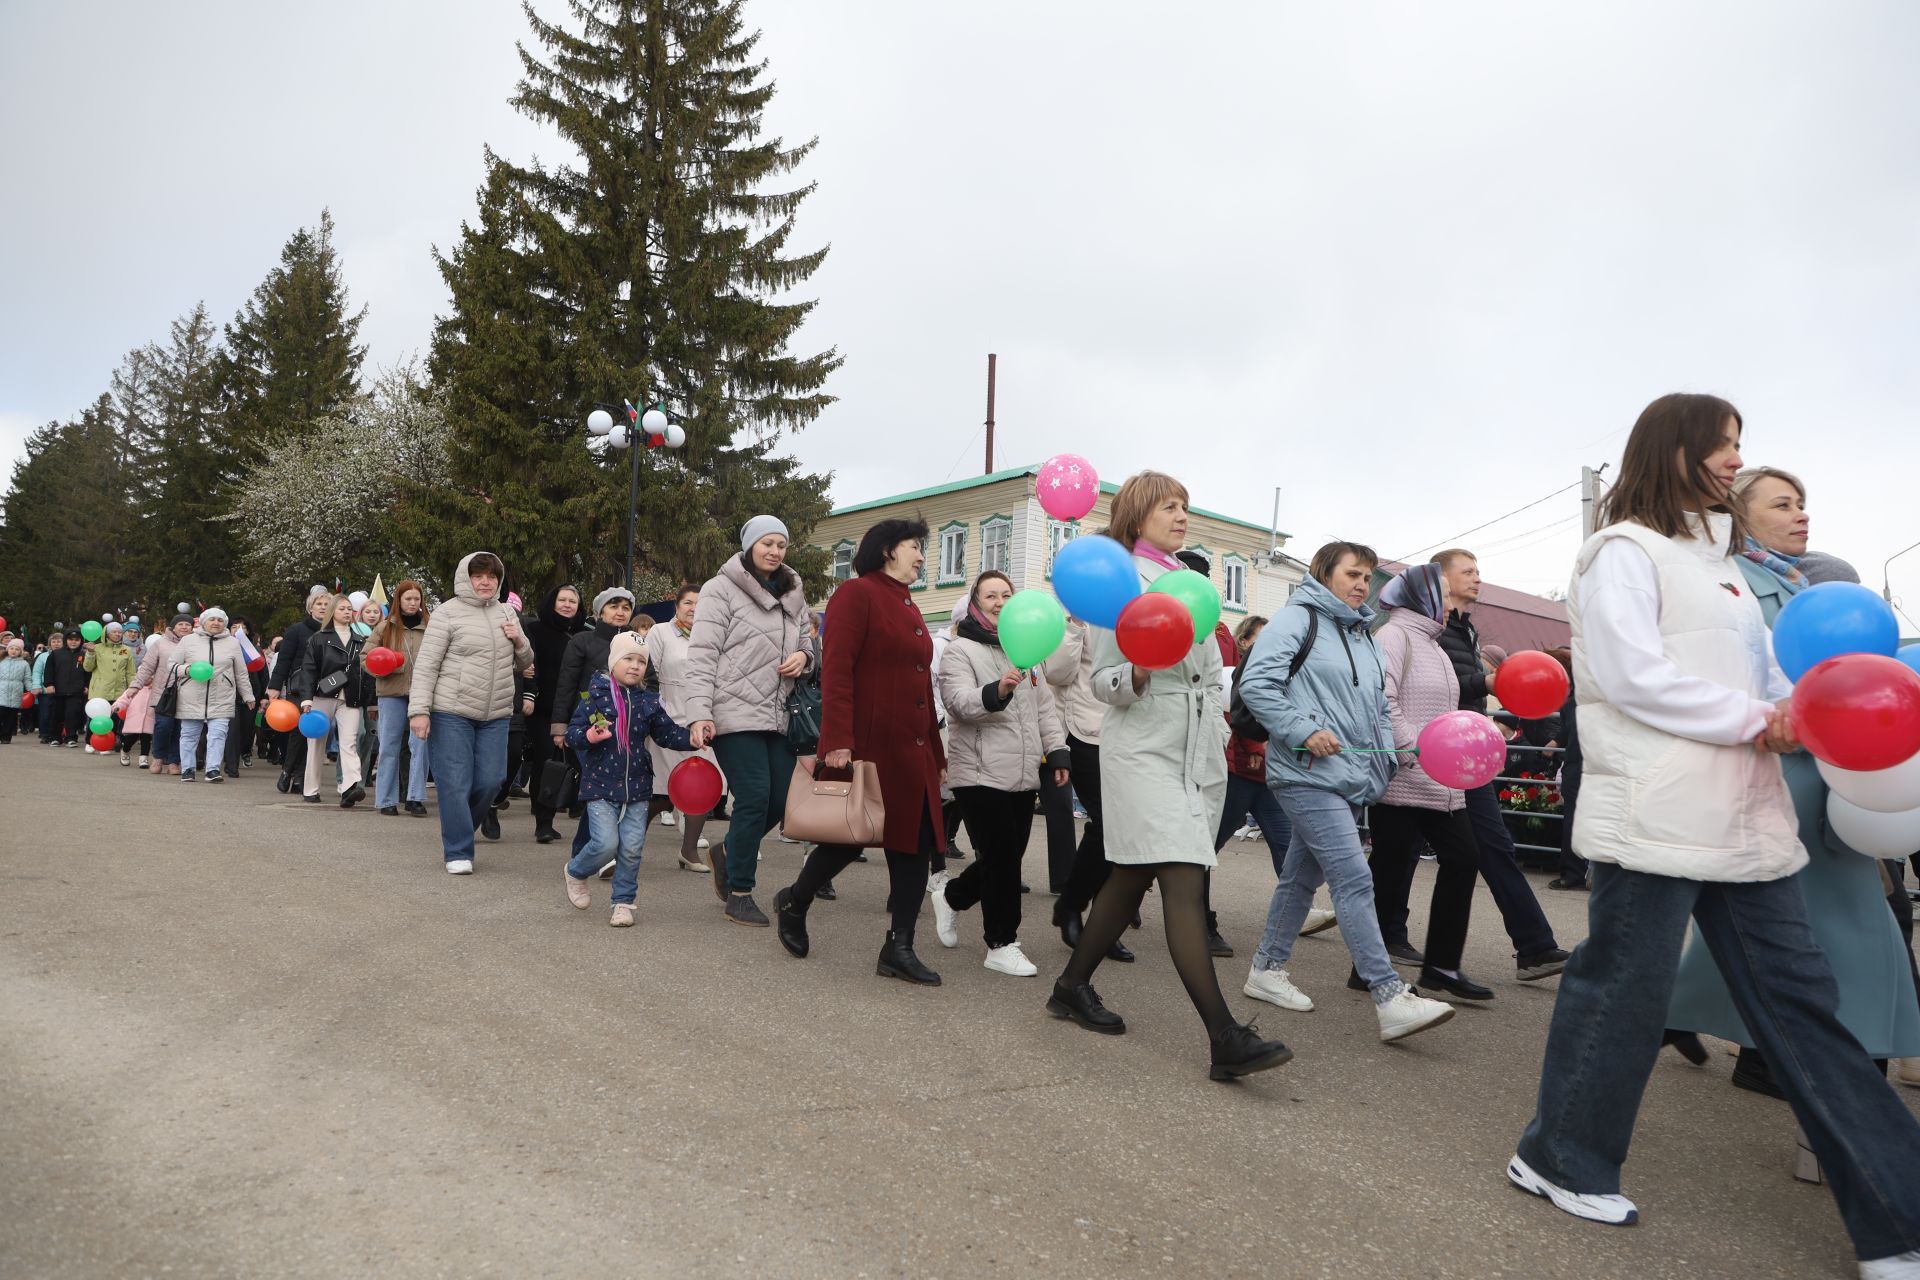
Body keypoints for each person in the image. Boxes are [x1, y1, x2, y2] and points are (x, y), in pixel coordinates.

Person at [1506, 394, 1920, 1277]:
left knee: (1805, 1006)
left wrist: (1799, 710)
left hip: (1747, 816)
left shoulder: (1725, 565)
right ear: (1678, 449)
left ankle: (1900, 1215)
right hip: (1659, 813)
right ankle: (1558, 1157)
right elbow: (1629, 676)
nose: (1737, 460)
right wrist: (1755, 719)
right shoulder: (1622, 550)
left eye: (1740, 445)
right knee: (1621, 992)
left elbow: (1770, 668)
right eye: (1724, 446)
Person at [1666, 467, 1920, 1114]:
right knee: (1840, 927)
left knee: (1804, 928)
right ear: (1739, 515)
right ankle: (1856, 1080)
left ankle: (1705, 1022)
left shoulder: (1799, 581)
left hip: (1834, 776)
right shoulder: (1732, 588)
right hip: (1783, 773)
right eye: (1783, 504)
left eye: (1804, 502)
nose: (1801, 514)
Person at [1043, 471, 1291, 1080]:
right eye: (1168, 507)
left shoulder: (1187, 581)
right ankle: (1223, 1035)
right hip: (1144, 750)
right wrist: (1140, 675)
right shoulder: (1119, 581)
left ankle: (1071, 985)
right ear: (1137, 514)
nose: (1182, 516)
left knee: (1129, 877)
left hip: (1196, 750)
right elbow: (1103, 679)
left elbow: (1209, 671)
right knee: (1184, 876)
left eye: (1185, 506)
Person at [1236, 544, 1457, 1042]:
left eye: (1366, 577)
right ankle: (1389, 996)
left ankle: (1266, 971)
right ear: (1323, 575)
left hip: (1352, 776)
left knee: (1298, 878)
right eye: (1351, 574)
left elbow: (1378, 705)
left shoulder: (1364, 635)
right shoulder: (1297, 620)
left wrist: (1390, 757)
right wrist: (1301, 730)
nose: (1361, 584)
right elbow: (1257, 684)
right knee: (1355, 878)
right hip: (1306, 772)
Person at [771, 517, 943, 981]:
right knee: (851, 836)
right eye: (915, 546)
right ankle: (795, 899)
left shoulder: (909, 604)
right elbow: (838, 671)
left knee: (914, 844)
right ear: (887, 548)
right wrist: (838, 741)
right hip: (869, 742)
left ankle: (898, 948)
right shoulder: (856, 594)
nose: (922, 556)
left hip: (914, 747)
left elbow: (919, 683)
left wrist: (937, 754)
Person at [1423, 549, 1570, 983]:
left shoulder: (1466, 629)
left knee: (1492, 847)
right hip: (1432, 752)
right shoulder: (1430, 628)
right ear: (1441, 579)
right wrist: (1485, 682)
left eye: (1478, 570)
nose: (1477, 578)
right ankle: (1383, 947)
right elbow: (1437, 685)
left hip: (1466, 753)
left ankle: (1535, 947)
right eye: (1466, 571)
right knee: (1395, 854)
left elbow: (1463, 690)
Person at [1356, 562, 1492, 1001]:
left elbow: (1443, 710)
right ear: (1425, 596)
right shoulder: (1393, 635)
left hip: (1439, 782)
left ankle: (1441, 967)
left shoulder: (1432, 642)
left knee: (1462, 857)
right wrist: (1411, 748)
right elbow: (1382, 698)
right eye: (1445, 595)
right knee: (1390, 872)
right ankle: (1367, 964)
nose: (1452, 603)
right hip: (1403, 777)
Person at [929, 570, 1071, 976]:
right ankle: (1001, 943)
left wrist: (1057, 752)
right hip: (977, 772)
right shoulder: (960, 650)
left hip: (1023, 772)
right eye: (990, 595)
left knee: (1004, 856)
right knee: (1004, 860)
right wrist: (999, 691)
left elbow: (1045, 709)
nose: (999, 602)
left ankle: (952, 897)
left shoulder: (1027, 650)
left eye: (1006, 594)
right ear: (975, 603)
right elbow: (958, 703)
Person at [684, 516, 817, 928]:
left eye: (781, 543)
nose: (775, 551)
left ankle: (726, 852)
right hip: (733, 711)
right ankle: (740, 891)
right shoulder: (719, 589)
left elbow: (807, 644)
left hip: (779, 714)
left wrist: (805, 658)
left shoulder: (794, 593)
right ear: (749, 545)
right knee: (755, 796)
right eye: (767, 543)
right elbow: (702, 654)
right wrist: (699, 714)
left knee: (781, 803)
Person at [561, 632, 703, 927]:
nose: (635, 666)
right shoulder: (595, 696)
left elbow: (667, 734)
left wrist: (693, 737)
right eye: (628, 659)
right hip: (600, 784)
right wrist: (588, 735)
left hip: (638, 786)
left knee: (632, 847)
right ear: (613, 662)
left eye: (641, 661)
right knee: (605, 844)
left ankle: (622, 903)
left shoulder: (648, 701)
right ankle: (575, 872)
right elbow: (573, 735)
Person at [408, 552, 536, 874]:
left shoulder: (507, 612)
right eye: (478, 576)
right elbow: (426, 666)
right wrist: (419, 711)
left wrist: (519, 640)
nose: (485, 582)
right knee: (454, 783)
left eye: (491, 576)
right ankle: (458, 851)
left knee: (492, 780)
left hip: (496, 712)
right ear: (466, 578)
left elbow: (526, 663)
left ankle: (461, 824)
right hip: (451, 710)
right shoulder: (446, 614)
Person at [1043, 613, 1135, 962]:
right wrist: (1074, 626)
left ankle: (1101, 923)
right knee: (1110, 825)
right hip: (1084, 733)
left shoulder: (1136, 600)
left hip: (1129, 731)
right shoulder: (1077, 615)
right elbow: (1057, 673)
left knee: (1123, 833)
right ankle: (1071, 905)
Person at [552, 587, 636, 865]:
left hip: (625, 729)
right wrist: (560, 726)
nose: (620, 611)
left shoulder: (635, 643)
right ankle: (596, 853)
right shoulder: (582, 641)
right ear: (599, 612)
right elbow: (567, 685)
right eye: (613, 606)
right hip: (588, 727)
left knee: (603, 791)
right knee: (599, 788)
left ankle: (587, 851)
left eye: (625, 606)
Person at [645, 584, 720, 872]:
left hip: (703, 720)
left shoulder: (713, 636)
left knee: (701, 789)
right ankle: (628, 849)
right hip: (668, 718)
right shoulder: (661, 632)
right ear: (677, 606)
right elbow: (649, 675)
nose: (693, 608)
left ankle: (690, 851)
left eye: (700, 604)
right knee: (660, 793)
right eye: (688, 602)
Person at [523, 584, 587, 841]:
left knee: (574, 763)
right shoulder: (536, 630)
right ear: (553, 602)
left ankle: (573, 806)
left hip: (577, 709)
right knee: (545, 763)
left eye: (573, 601)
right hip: (543, 709)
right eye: (563, 600)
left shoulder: (585, 634)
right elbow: (528, 663)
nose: (568, 604)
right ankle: (543, 822)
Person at [294, 595, 371, 806]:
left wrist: (369, 701)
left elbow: (366, 674)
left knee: (350, 742)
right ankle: (311, 789)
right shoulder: (319, 638)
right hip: (322, 695)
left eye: (349, 609)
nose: (347, 612)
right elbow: (309, 670)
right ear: (333, 613)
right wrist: (306, 700)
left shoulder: (360, 640)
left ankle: (350, 787)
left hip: (351, 698)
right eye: (342, 608)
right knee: (316, 744)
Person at [171, 608, 255, 783]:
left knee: (218, 734)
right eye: (212, 619)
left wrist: (248, 696)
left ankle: (213, 769)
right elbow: (171, 665)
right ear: (203, 622)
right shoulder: (188, 641)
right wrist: (187, 670)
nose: (216, 623)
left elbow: (240, 672)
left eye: (219, 620)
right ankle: (188, 769)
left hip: (222, 695)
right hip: (191, 695)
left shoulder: (232, 643)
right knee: (189, 734)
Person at [371, 581, 432, 817]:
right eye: (408, 599)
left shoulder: (431, 626)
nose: (413, 603)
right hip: (391, 693)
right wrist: (384, 667)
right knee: (389, 745)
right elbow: (367, 658)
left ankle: (415, 797)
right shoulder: (385, 628)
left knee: (420, 745)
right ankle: (386, 799)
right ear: (399, 600)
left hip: (422, 694)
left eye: (417, 599)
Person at [272, 588, 330, 794]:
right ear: (310, 608)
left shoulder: (336, 630)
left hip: (326, 688)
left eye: (326, 604)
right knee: (299, 730)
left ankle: (299, 778)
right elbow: (284, 660)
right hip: (299, 687)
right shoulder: (297, 630)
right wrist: (274, 687)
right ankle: (288, 771)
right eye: (319, 604)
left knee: (313, 733)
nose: (323, 608)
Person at [127, 614, 194, 775]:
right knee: (163, 726)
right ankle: (158, 757)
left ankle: (174, 761)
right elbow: (147, 667)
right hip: (164, 693)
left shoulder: (196, 644)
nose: (184, 627)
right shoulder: (160, 644)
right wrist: (135, 686)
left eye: (187, 624)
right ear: (173, 627)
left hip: (189, 693)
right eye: (181, 624)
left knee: (180, 729)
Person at [81, 622, 135, 760]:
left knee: (113, 718)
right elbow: (87, 667)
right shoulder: (97, 648)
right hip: (100, 689)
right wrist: (90, 652)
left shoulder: (126, 650)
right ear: (106, 633)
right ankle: (90, 742)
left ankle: (105, 744)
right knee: (96, 716)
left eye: (119, 632)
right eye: (114, 632)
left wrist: (132, 688)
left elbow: (130, 672)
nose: (117, 634)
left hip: (119, 690)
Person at [45, 629, 88, 747]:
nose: (73, 642)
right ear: (66, 640)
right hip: (58, 690)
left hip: (76, 691)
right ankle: (55, 737)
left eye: (77, 640)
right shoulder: (56, 653)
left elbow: (88, 672)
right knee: (56, 715)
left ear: (81, 641)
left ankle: (71, 737)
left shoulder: (84, 654)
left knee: (73, 715)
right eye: (70, 640)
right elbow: (49, 670)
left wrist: (87, 686)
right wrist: (49, 684)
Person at [0, 637, 27, 743]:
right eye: (12, 648)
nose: (14, 651)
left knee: (11, 717)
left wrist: (31, 690)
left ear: (20, 651)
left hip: (16, 693)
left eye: (17, 649)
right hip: (1, 692)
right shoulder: (1, 661)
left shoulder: (24, 664)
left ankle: (6, 737)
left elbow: (27, 678)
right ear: (7, 649)